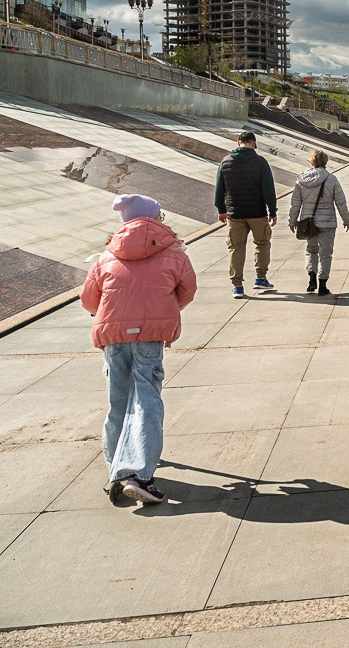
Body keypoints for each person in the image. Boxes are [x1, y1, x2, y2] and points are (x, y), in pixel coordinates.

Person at [81, 195, 197, 506]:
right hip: (150, 336)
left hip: (113, 335)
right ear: (155, 218)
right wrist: (162, 309)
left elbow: (89, 299)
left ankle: (116, 469)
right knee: (147, 400)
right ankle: (140, 476)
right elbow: (187, 291)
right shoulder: (173, 252)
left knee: (118, 401)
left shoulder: (107, 255)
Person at [214, 130, 277, 298]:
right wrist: (272, 211)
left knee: (235, 248)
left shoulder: (226, 162)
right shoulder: (260, 162)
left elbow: (219, 189)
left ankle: (237, 286)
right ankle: (261, 278)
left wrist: (221, 210)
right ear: (254, 143)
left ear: (238, 143)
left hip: (235, 214)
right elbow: (268, 189)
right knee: (262, 244)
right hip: (257, 213)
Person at [288, 149, 349, 296]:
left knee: (311, 250)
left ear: (311, 161)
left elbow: (295, 204)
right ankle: (323, 285)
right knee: (326, 253)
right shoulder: (331, 179)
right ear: (325, 162)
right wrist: (346, 219)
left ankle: (312, 278)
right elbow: (341, 202)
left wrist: (292, 221)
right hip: (327, 222)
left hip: (308, 223)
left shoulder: (301, 180)